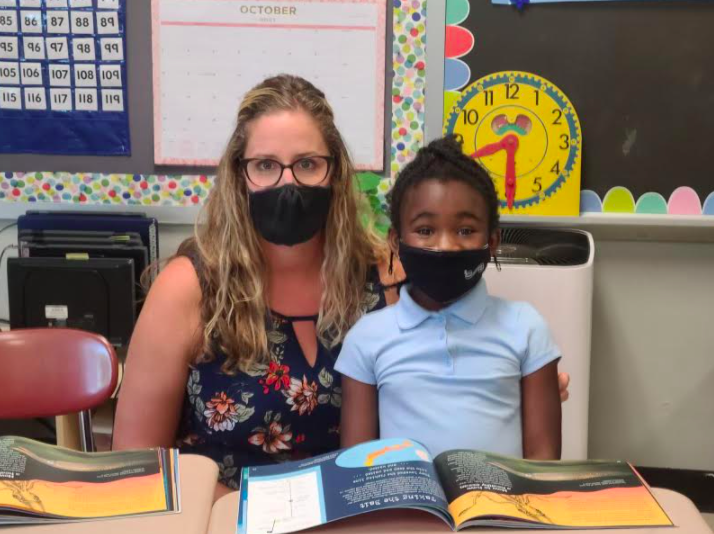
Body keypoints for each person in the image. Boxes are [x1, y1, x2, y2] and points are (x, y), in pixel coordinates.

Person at [113, 75, 569, 499]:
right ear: (239, 176)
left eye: (308, 164)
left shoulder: (386, 275)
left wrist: (524, 382)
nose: (287, 182)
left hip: (359, 515)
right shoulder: (190, 287)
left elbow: (452, 367)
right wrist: (244, 513)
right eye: (266, 165)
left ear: (335, 172)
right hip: (225, 518)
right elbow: (138, 460)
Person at [336, 135, 562, 460]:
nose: (445, 246)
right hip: (407, 510)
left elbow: (544, 460)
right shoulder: (366, 339)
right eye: (425, 230)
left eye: (466, 231)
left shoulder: (526, 328)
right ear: (396, 243)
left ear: (493, 241)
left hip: (501, 510)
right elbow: (357, 469)